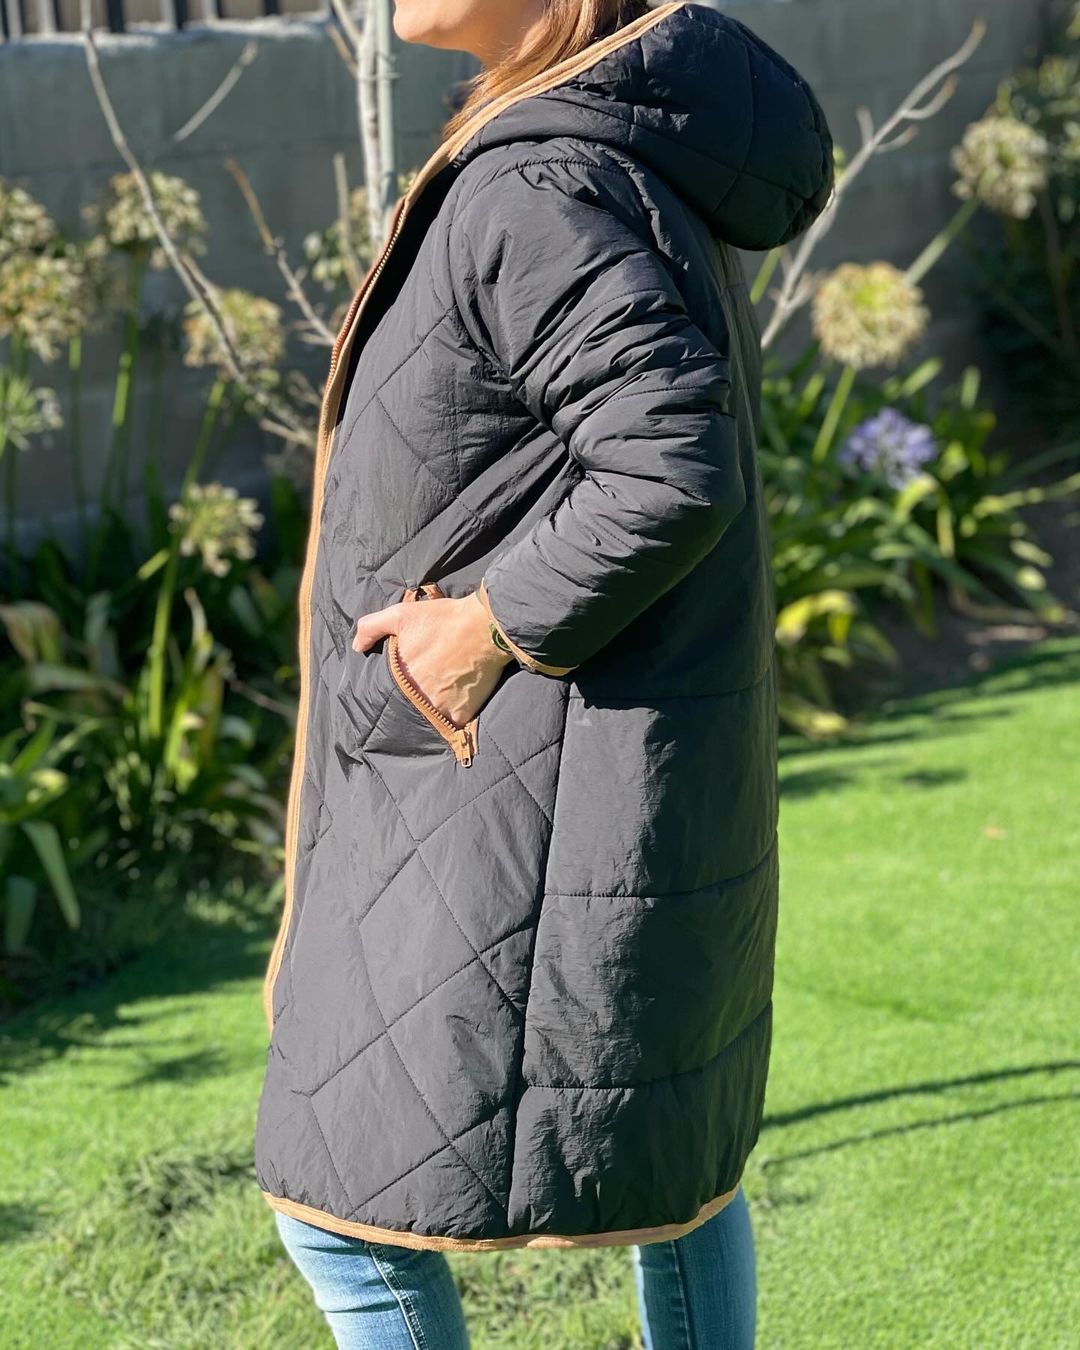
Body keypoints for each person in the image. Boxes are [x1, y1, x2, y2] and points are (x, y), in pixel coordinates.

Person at [255, 0, 834, 1345]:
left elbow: (669, 461)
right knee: (673, 1174)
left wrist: (483, 628)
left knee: (341, 1211)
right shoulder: (598, 147)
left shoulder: (538, 181)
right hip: (548, 779)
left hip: (509, 788)